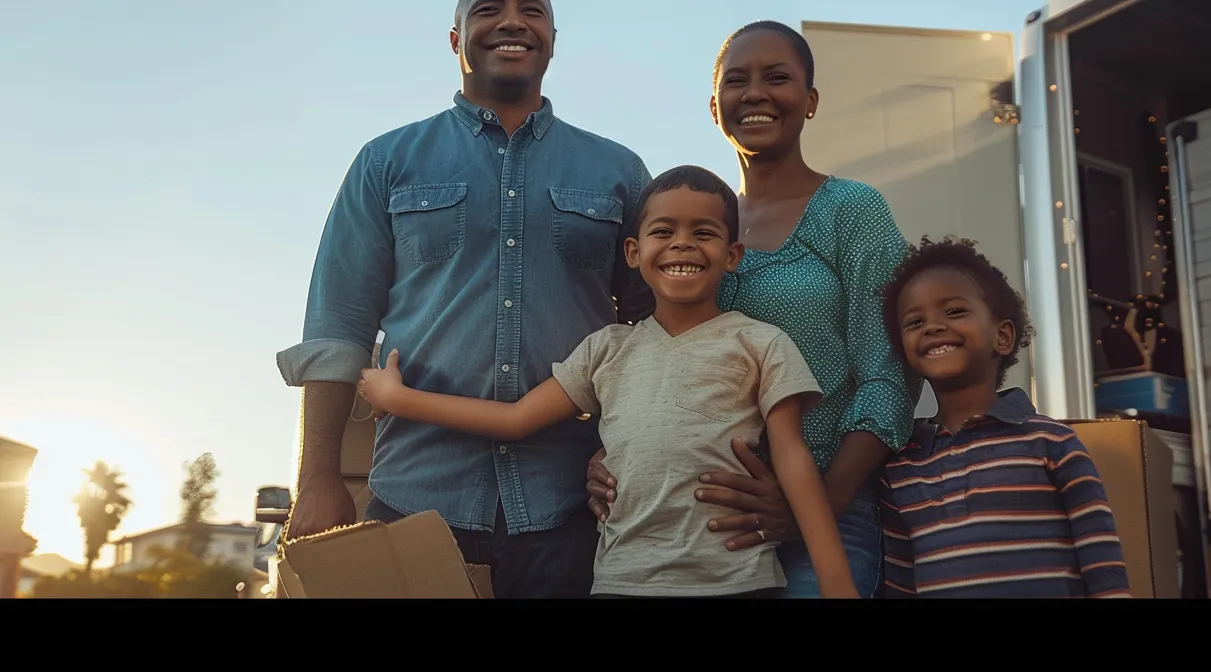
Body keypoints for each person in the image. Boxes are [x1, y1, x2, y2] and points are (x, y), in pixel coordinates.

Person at [274, 0, 655, 599]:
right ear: (456, 37)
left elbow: (653, 330)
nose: (512, 21)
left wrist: (624, 448)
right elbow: (337, 330)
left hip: (574, 508)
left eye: (532, 9)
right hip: (414, 498)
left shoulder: (621, 173)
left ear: (553, 38)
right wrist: (317, 478)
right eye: (488, 9)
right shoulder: (385, 164)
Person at [359, 165, 858, 599]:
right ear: (633, 252)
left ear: (733, 255)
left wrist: (836, 582)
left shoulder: (760, 343)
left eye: (703, 232)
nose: (682, 242)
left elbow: (792, 459)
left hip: (734, 577)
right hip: (622, 580)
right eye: (665, 231)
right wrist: (399, 398)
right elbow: (515, 420)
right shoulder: (607, 349)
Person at [585, 20, 917, 598]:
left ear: (809, 101)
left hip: (827, 510)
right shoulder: (699, 227)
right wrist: (617, 454)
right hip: (697, 529)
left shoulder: (851, 210)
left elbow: (888, 375)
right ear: (715, 107)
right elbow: (654, 359)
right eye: (737, 80)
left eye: (778, 78)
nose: (756, 93)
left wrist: (817, 501)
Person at [877, 236, 1132, 598]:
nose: (932, 326)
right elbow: (900, 584)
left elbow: (1103, 566)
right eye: (914, 321)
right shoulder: (900, 467)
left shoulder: (1053, 443)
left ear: (1003, 336)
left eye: (953, 312)